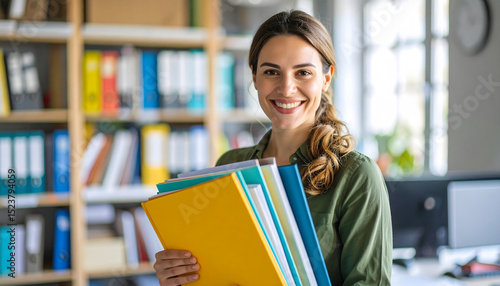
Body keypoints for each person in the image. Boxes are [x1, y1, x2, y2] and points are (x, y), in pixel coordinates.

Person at [153, 10, 393, 286]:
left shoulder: (356, 175)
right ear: (254, 77)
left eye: (303, 72)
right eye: (271, 72)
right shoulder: (229, 164)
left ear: (326, 78)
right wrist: (180, 276)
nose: (287, 88)